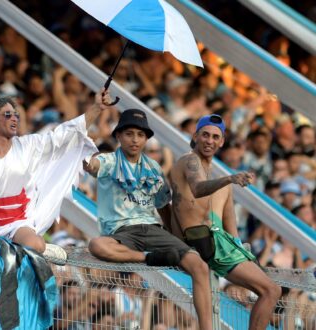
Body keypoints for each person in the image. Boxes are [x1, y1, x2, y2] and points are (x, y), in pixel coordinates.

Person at [83, 105, 213, 330]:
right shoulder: (109, 161)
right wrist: (84, 152)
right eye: (129, 134)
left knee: (199, 265)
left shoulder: (153, 167)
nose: (135, 139)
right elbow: (91, 164)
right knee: (96, 245)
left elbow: (164, 207)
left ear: (145, 139)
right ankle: (149, 258)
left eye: (141, 135)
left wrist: (178, 240)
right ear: (118, 136)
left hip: (153, 230)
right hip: (121, 233)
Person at [0, 89, 107, 259]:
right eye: (8, 114)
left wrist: (97, 107)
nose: (15, 118)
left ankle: (40, 248)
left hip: (16, 224)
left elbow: (65, 134)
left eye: (16, 114)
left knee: (35, 244)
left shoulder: (28, 146)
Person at [170, 114, 281, 329]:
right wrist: (230, 178)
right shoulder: (189, 160)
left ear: (221, 142)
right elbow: (197, 189)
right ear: (195, 136)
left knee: (226, 189)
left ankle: (238, 246)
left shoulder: (207, 169)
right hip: (202, 239)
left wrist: (238, 246)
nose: (209, 141)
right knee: (271, 290)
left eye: (215, 137)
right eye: (205, 135)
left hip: (211, 238)